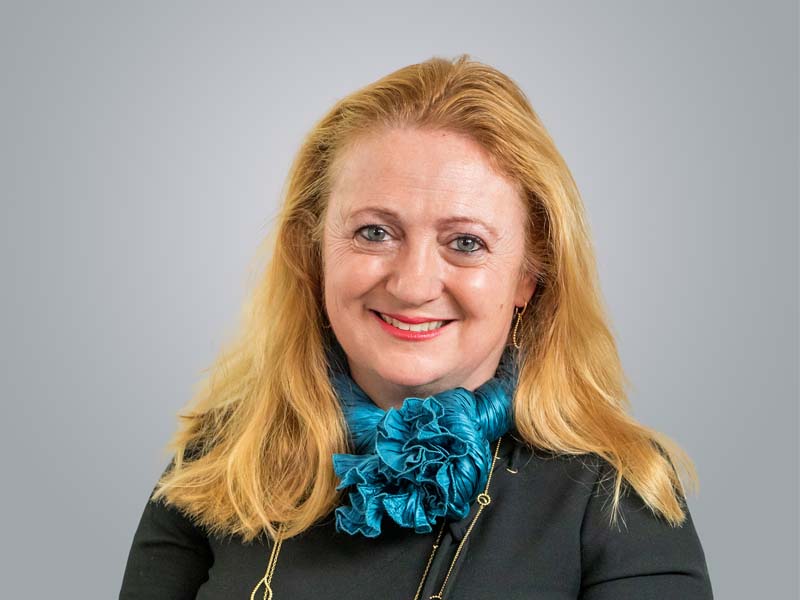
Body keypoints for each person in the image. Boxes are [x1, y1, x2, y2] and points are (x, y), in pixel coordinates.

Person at [119, 54, 713, 599]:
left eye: (466, 242)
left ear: (529, 276)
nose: (412, 285)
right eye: (375, 232)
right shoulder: (216, 464)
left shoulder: (618, 493)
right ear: (314, 251)